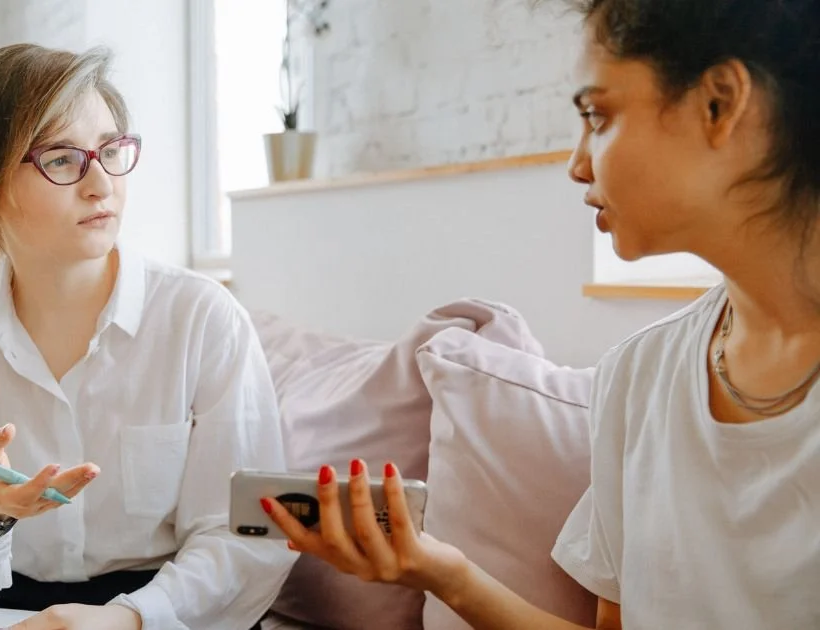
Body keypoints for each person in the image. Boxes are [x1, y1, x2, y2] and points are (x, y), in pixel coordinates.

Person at [263, 0, 820, 628]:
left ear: (718, 103)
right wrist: (438, 570)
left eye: (598, 116)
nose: (578, 163)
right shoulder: (640, 376)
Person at [0, 43, 296, 630]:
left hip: (167, 611)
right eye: (62, 159)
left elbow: (247, 536)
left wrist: (129, 619)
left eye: (111, 151)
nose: (101, 183)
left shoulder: (202, 318)